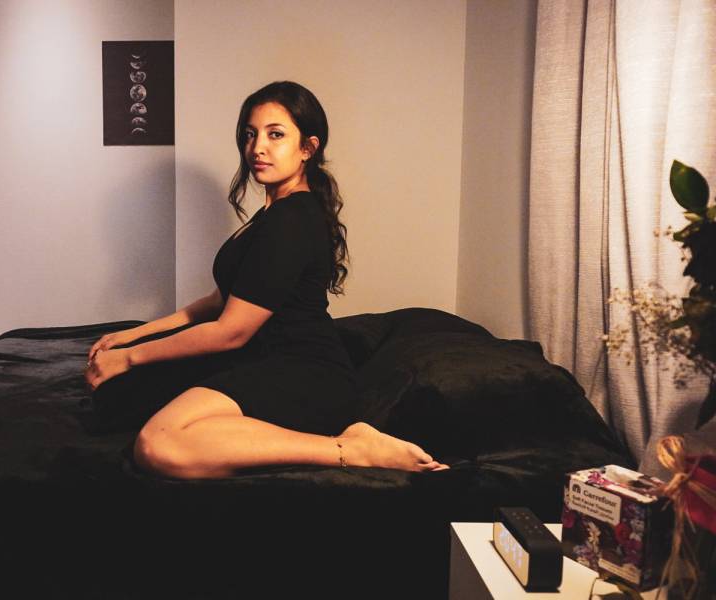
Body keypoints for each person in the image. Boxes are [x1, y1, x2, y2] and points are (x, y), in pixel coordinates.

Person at [84, 81, 449, 479]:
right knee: (118, 399)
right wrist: (134, 336)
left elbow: (230, 331)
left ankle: (351, 448)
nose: (257, 147)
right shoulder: (272, 215)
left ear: (307, 148)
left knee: (159, 444)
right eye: (250, 134)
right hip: (261, 360)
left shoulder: (290, 221)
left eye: (275, 135)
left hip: (305, 374)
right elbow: (218, 301)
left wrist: (130, 357)